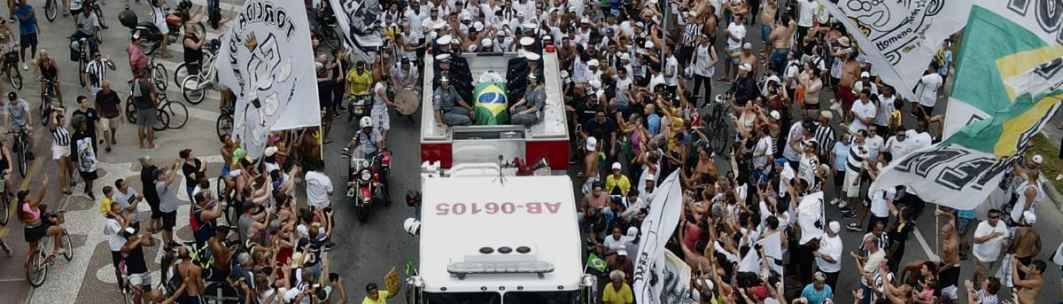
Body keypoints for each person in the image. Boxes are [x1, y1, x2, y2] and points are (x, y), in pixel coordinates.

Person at [120, 226, 156, 304]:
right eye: (134, 234)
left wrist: (150, 237)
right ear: (129, 238)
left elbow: (152, 244)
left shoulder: (138, 242)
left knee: (148, 294)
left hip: (144, 271)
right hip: (134, 274)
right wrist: (140, 239)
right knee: (138, 292)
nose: (136, 235)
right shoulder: (124, 247)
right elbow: (129, 249)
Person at [973, 209, 1009, 281]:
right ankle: (977, 287)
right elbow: (976, 240)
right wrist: (991, 236)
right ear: (988, 217)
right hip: (982, 257)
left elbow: (1005, 236)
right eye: (993, 217)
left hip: (993, 257)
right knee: (983, 276)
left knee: (984, 272)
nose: (995, 219)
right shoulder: (982, 225)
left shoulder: (1001, 223)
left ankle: (975, 280)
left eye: (997, 217)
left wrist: (1005, 242)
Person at [155, 161, 181, 245]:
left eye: (163, 174)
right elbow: (171, 179)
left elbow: (168, 174)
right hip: (167, 210)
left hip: (171, 209)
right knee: (166, 229)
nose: (163, 175)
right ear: (157, 178)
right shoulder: (160, 185)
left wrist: (173, 167)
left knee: (170, 228)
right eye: (161, 175)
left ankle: (171, 241)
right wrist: (176, 169)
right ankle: (166, 245)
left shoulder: (162, 180)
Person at [130, 69, 157, 149]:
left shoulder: (134, 84)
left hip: (139, 108)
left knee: (141, 126)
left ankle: (141, 144)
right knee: (149, 126)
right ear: (145, 75)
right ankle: (150, 144)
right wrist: (155, 105)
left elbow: (132, 96)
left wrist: (137, 104)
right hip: (149, 107)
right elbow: (152, 97)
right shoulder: (148, 84)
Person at [71, 118, 97, 200]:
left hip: (91, 159)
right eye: (83, 124)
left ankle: (90, 191)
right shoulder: (75, 137)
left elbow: (93, 144)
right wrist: (75, 161)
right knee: (84, 175)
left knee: (91, 175)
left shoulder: (89, 133)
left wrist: (95, 154)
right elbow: (74, 150)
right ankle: (87, 184)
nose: (85, 125)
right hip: (81, 161)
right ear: (79, 126)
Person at [49, 109, 73, 194]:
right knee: (63, 169)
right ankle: (64, 187)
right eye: (62, 121)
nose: (64, 121)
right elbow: (54, 123)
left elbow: (62, 110)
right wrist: (54, 116)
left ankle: (72, 179)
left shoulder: (62, 126)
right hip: (59, 149)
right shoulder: (54, 128)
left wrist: (55, 108)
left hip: (67, 147)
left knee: (70, 165)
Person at [813, 221, 842, 289]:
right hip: (820, 267)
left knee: (828, 289)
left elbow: (833, 260)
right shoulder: (826, 234)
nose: (826, 227)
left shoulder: (837, 244)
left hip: (830, 272)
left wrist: (820, 255)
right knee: (817, 285)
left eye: (828, 227)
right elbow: (820, 242)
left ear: (831, 230)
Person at [94, 80, 120, 152]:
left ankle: (113, 136)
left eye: (106, 87)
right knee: (105, 129)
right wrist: (97, 113)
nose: (105, 89)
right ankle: (108, 145)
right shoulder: (99, 94)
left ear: (109, 87)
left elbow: (118, 103)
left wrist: (121, 114)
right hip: (104, 114)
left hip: (113, 114)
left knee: (113, 128)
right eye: (103, 87)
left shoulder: (113, 93)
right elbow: (97, 104)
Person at [14, 0, 37, 71]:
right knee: (23, 47)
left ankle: (33, 58)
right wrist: (30, 13)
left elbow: (34, 18)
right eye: (23, 0)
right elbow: (23, 20)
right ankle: (24, 62)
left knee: (34, 45)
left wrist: (37, 27)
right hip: (24, 32)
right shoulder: (18, 10)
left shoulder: (29, 7)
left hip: (32, 30)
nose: (25, 1)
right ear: (20, 2)